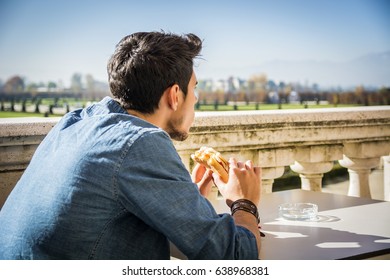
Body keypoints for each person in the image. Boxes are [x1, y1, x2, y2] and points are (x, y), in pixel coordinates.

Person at [0, 31, 262, 260]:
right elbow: (235, 256)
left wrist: (180, 202)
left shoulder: (76, 121)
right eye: (193, 89)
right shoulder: (141, 142)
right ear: (174, 95)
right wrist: (244, 202)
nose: (195, 99)